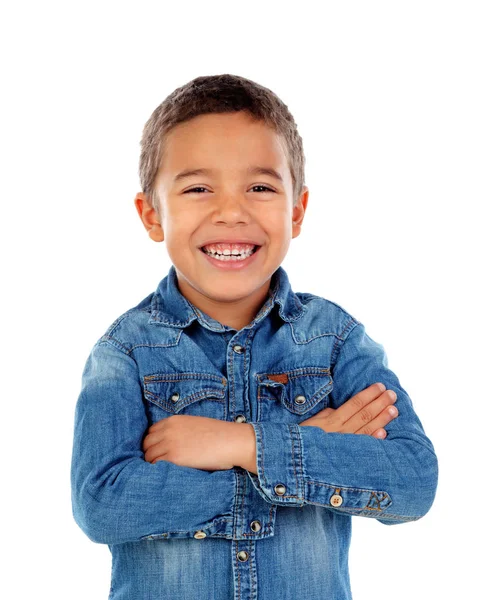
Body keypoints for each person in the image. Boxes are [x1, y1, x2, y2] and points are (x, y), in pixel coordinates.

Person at [70, 73, 438, 600]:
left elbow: (411, 482)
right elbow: (104, 504)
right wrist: (306, 455)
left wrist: (242, 444)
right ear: (152, 214)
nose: (232, 211)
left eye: (260, 187)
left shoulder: (333, 340)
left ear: (297, 210)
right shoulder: (125, 351)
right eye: (198, 188)